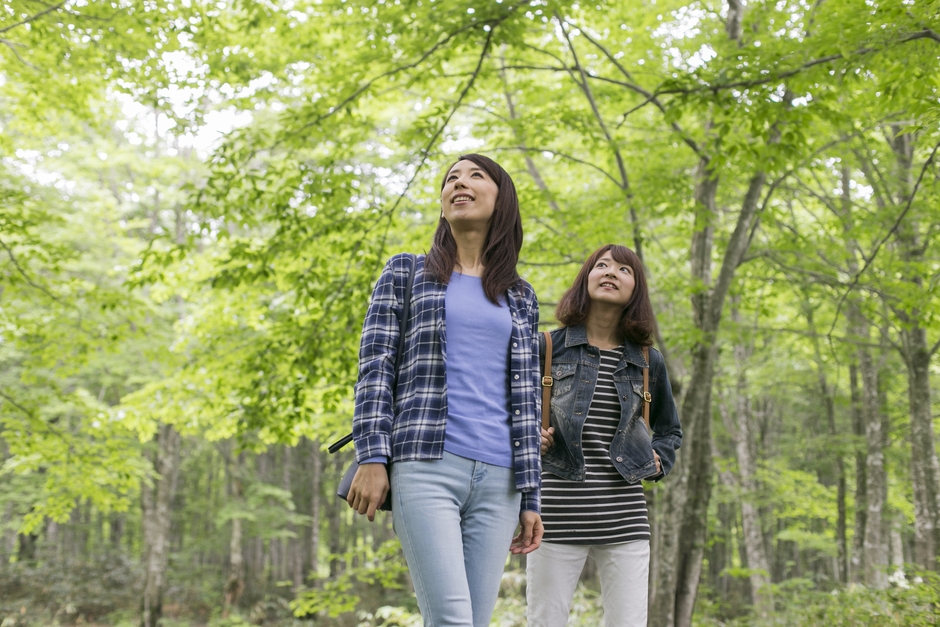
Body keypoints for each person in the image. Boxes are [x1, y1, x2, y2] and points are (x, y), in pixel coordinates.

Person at [346, 154, 544, 627]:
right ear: (441, 205)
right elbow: (375, 367)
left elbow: (528, 401)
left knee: (473, 622)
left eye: (476, 175)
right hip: (427, 464)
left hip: (501, 479)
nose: (460, 182)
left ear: (501, 199)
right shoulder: (407, 273)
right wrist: (372, 456)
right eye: (451, 178)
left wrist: (531, 496)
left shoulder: (520, 295)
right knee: (453, 619)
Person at [526, 244, 682, 627]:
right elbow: (510, 415)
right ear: (586, 278)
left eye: (624, 270)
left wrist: (659, 458)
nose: (611, 272)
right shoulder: (546, 348)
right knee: (546, 620)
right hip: (555, 516)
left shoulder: (647, 361)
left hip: (626, 519)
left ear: (636, 290)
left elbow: (670, 430)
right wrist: (530, 437)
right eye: (602, 265)